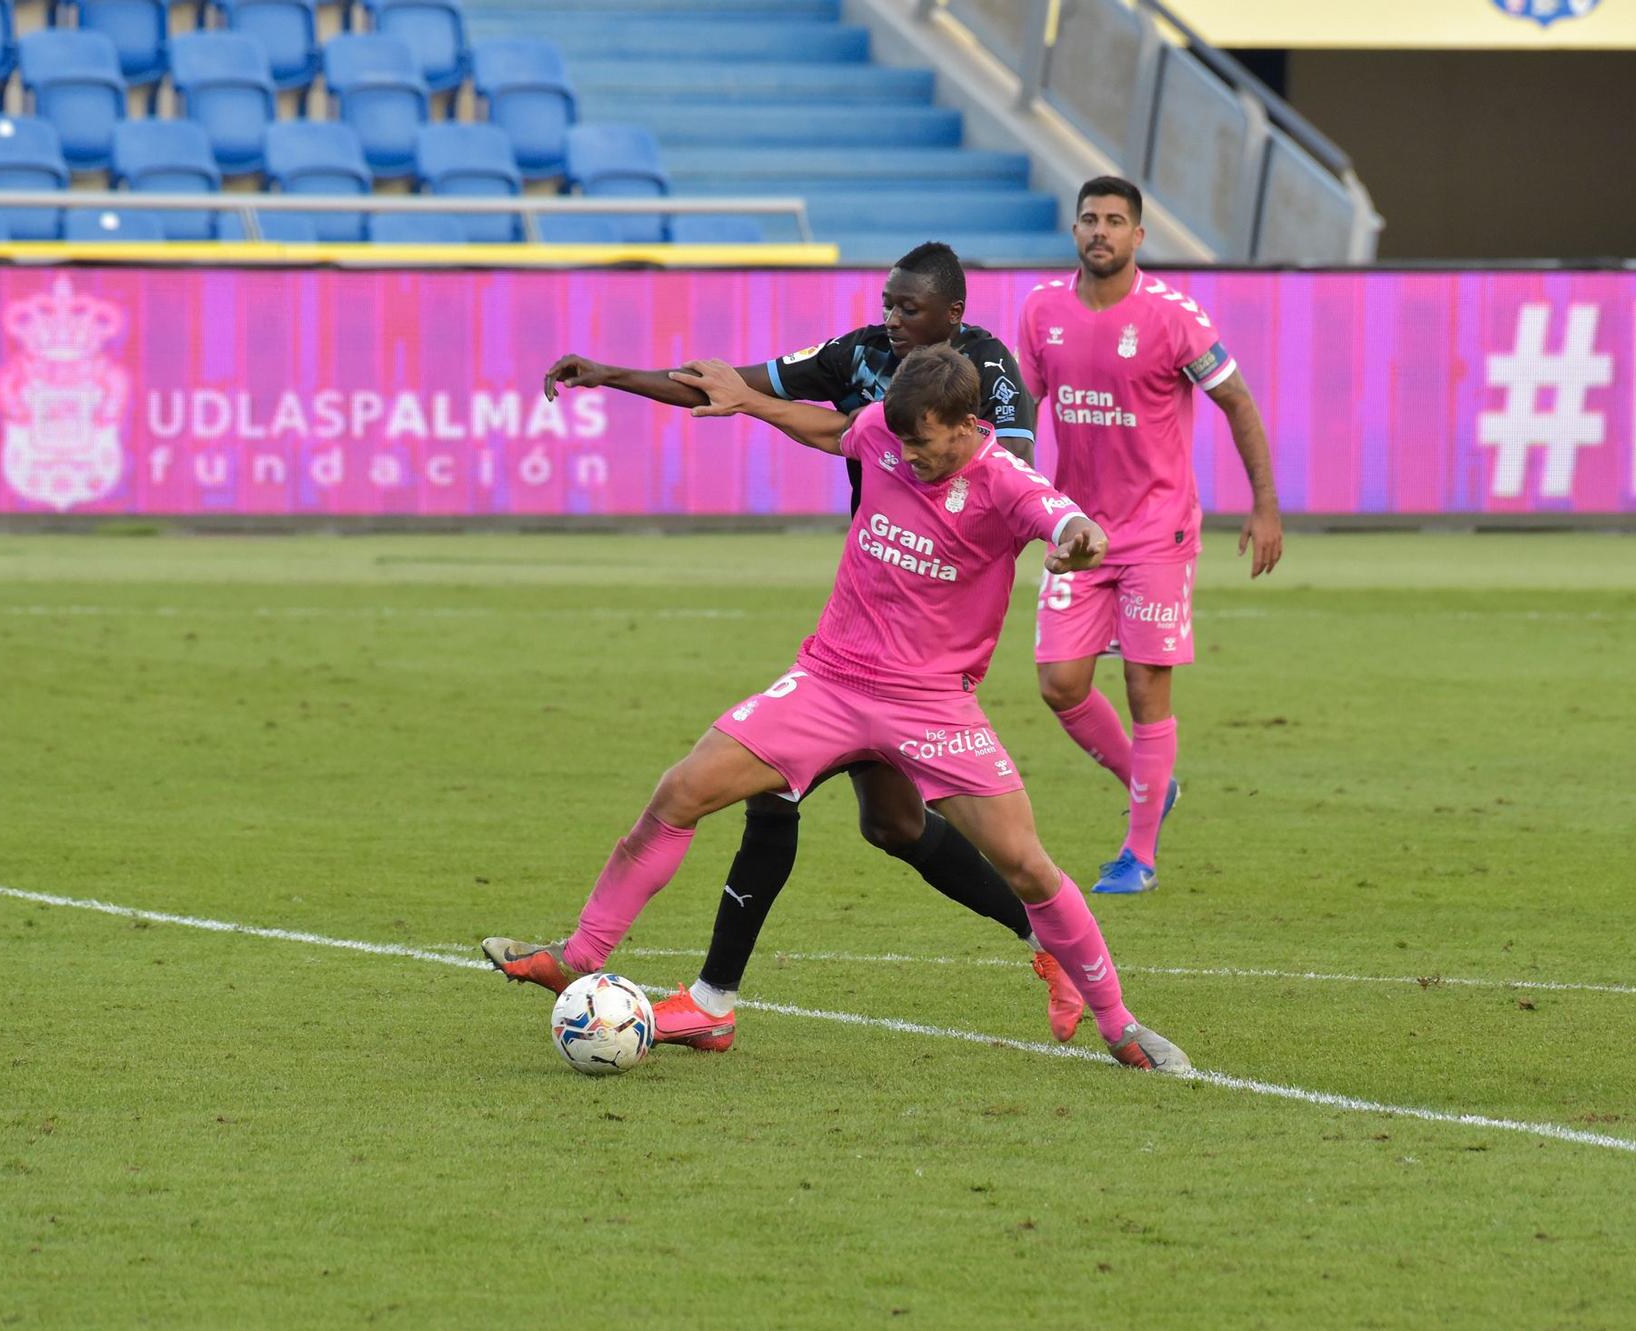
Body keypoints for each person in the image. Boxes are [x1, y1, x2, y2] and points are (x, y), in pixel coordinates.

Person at [486, 345, 1191, 1074]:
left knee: (1027, 866)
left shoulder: (1005, 481)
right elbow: (832, 429)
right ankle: (580, 956)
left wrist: (1080, 545)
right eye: (901, 439)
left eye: (921, 442)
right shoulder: (885, 432)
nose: (905, 454)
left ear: (964, 425)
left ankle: (1120, 1025)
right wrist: (750, 400)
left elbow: (1069, 521)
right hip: (829, 681)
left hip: (932, 707)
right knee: (681, 790)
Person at [537, 243, 1079, 1052]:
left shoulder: (989, 375)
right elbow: (731, 387)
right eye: (889, 304)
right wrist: (613, 374)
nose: (891, 320)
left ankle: (712, 998)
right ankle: (1048, 947)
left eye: (909, 309)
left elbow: (1010, 478)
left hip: (930, 635)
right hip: (867, 612)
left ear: (952, 317)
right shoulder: (859, 354)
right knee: (892, 825)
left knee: (771, 790)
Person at [1018, 176, 1284, 896]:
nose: (1100, 231)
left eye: (1114, 221)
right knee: (1059, 683)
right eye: (1089, 219)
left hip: (1157, 533)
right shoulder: (1042, 311)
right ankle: (1150, 782)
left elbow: (1236, 400)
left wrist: (1264, 504)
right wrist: (1016, 501)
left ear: (1139, 237)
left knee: (1144, 685)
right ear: (1075, 232)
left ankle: (1139, 853)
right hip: (1077, 532)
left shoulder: (1175, 319)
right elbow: (1022, 413)